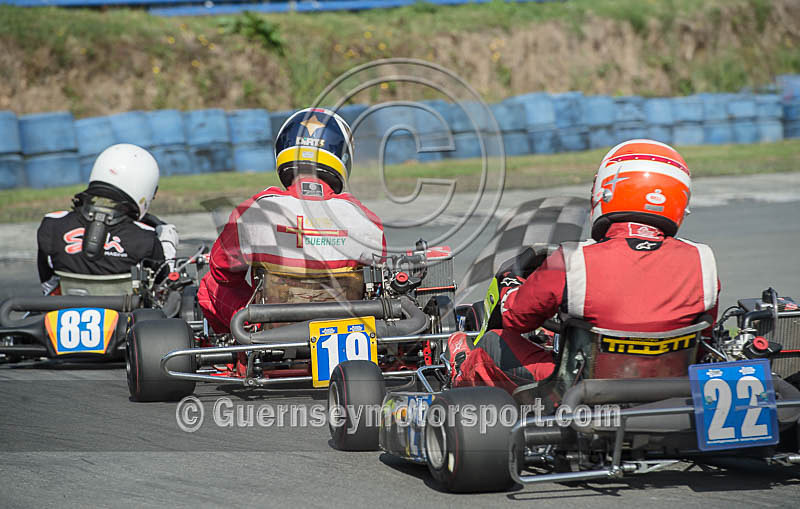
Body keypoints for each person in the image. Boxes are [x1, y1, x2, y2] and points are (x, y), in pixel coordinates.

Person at [448, 139, 720, 393]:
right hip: (671, 388)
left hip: (583, 391)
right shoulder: (702, 260)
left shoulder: (573, 259)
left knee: (493, 341)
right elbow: (704, 339)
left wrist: (510, 286)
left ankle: (459, 370)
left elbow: (515, 318)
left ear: (607, 191)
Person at [197, 108, 386, 333]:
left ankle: (244, 348)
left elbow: (221, 270)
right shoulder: (363, 217)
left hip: (273, 330)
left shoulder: (257, 210)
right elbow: (381, 266)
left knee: (210, 285)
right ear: (342, 156)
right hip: (346, 326)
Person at [37, 143, 179, 294]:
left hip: (64, 312)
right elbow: (163, 287)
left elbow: (48, 285)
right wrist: (167, 244)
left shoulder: (52, 225)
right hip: (125, 315)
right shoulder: (145, 239)